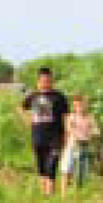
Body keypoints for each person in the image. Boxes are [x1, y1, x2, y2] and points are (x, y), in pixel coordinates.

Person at [20, 66, 69, 195]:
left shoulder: (59, 96)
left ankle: (50, 194)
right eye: (43, 80)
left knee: (52, 164)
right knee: (42, 166)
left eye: (48, 80)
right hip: (38, 135)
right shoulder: (33, 96)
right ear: (38, 81)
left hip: (56, 136)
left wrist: (67, 135)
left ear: (52, 80)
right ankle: (44, 194)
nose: (46, 83)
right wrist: (27, 120)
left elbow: (66, 117)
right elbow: (21, 108)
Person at [59, 93, 99, 195]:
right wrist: (77, 135)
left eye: (82, 105)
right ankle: (64, 193)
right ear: (74, 107)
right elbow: (69, 129)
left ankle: (78, 192)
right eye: (77, 106)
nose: (80, 108)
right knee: (66, 168)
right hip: (72, 145)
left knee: (82, 170)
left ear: (86, 105)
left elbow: (96, 131)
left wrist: (90, 134)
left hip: (85, 145)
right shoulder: (71, 117)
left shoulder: (90, 117)